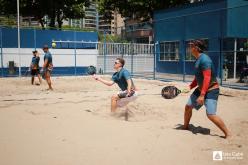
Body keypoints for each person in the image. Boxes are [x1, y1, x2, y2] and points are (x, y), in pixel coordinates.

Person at [183, 40, 231, 139]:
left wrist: (202, 95)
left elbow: (207, 77)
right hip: (201, 89)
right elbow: (198, 78)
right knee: (188, 107)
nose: (189, 48)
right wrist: (190, 87)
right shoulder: (198, 59)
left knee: (211, 115)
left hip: (211, 90)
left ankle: (228, 133)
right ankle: (185, 126)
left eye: (191, 46)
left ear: (196, 48)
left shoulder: (205, 60)